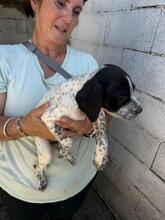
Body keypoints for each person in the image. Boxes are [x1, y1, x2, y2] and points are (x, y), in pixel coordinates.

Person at [0, 0, 109, 219]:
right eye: (60, 3)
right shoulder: (4, 59)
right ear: (35, 3)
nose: (69, 18)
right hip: (21, 189)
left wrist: (87, 128)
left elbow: (105, 119)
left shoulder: (87, 63)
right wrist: (23, 126)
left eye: (76, 11)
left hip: (76, 184)